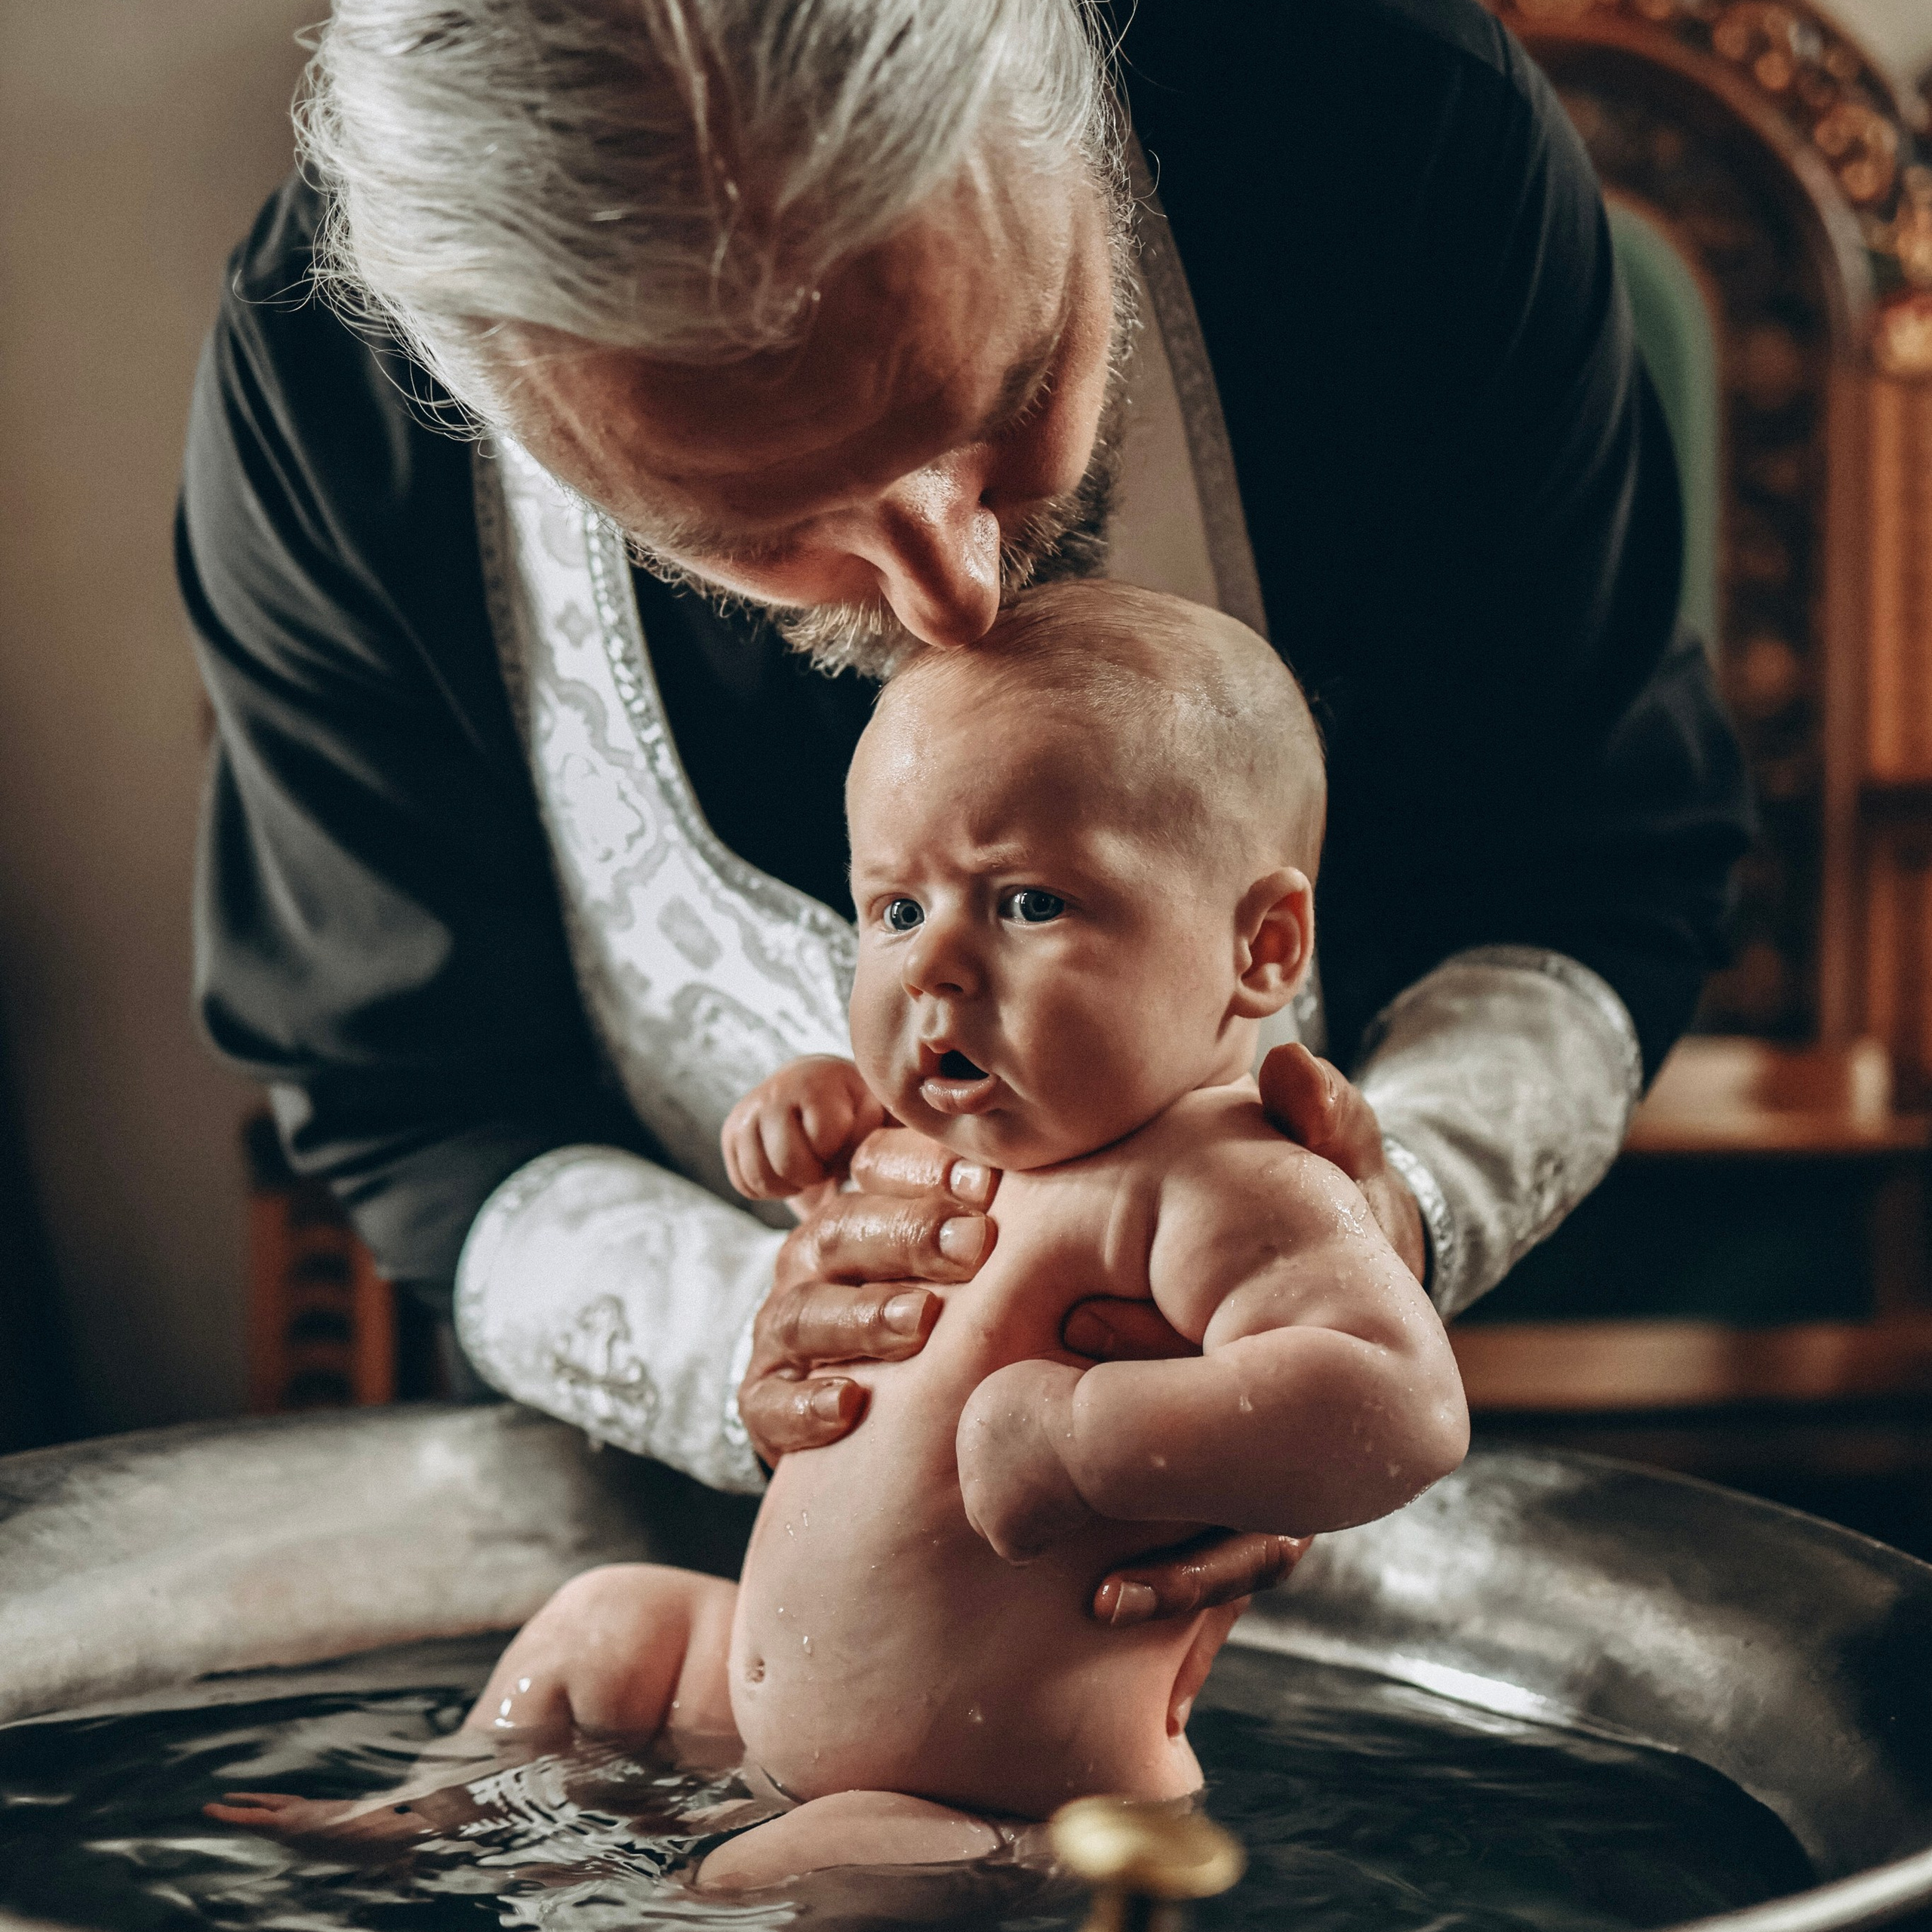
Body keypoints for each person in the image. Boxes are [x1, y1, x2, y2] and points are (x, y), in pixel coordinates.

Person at [180, 0, 1749, 1623]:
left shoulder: (1384, 125)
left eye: (1012, 391)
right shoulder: (330, 376)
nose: (950, 593)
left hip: (1402, 1532)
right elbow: (412, 1101)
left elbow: (1590, 868)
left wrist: (1365, 1234)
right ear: (502, 401)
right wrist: (767, 1343)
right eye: (759, 521)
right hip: (667, 1557)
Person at [208, 581, 1468, 1890]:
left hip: (994, 1815)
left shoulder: (1217, 1181)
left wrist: (1083, 1437)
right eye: (897, 910)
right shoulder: (948, 1136)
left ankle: (629, 1907)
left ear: (1260, 949)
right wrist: (827, 1155)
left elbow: (1405, 1405)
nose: (935, 971)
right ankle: (420, 1832)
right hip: (755, 1714)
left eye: (1028, 904)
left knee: (786, 1880)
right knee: (609, 1621)